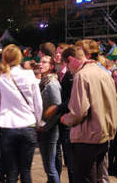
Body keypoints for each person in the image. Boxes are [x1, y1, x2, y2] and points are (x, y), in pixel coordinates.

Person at [60, 45, 117, 183]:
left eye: (68, 66)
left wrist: (66, 119)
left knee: (85, 179)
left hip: (86, 137)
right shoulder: (104, 73)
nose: (70, 70)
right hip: (103, 136)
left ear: (71, 59)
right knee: (98, 179)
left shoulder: (81, 75)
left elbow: (78, 110)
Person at [0, 44, 43, 183]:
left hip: (7, 126)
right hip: (28, 125)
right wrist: (37, 122)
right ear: (20, 58)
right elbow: (38, 103)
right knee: (26, 171)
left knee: (11, 173)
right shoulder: (29, 74)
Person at [45, 43, 74, 183]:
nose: (57, 54)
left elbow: (72, 98)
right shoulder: (57, 74)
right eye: (56, 52)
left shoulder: (71, 74)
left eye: (60, 52)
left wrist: (57, 108)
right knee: (56, 154)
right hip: (57, 121)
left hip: (67, 119)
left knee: (69, 157)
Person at [38, 55, 62, 183]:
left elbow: (57, 109)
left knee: (50, 166)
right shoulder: (44, 82)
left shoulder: (52, 84)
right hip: (44, 128)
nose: (40, 64)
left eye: (44, 62)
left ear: (52, 66)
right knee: (48, 166)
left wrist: (44, 127)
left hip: (50, 129)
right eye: (40, 62)